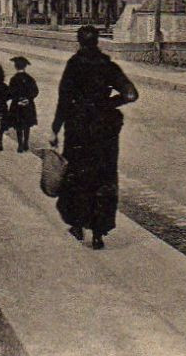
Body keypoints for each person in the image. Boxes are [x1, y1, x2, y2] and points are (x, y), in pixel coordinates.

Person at [51, 25, 138, 250]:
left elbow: (63, 99)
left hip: (78, 129)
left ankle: (78, 226)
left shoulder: (74, 65)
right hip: (104, 131)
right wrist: (109, 103)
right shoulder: (107, 66)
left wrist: (55, 128)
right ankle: (98, 233)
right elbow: (131, 94)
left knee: (77, 178)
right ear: (98, 41)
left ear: (79, 41)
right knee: (104, 178)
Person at [4, 56, 40, 153]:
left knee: (18, 125)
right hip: (28, 105)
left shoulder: (13, 79)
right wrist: (28, 99)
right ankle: (26, 143)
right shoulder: (30, 78)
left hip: (17, 105)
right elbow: (35, 91)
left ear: (16, 67)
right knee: (27, 124)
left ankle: (20, 144)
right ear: (25, 67)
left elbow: (11, 92)